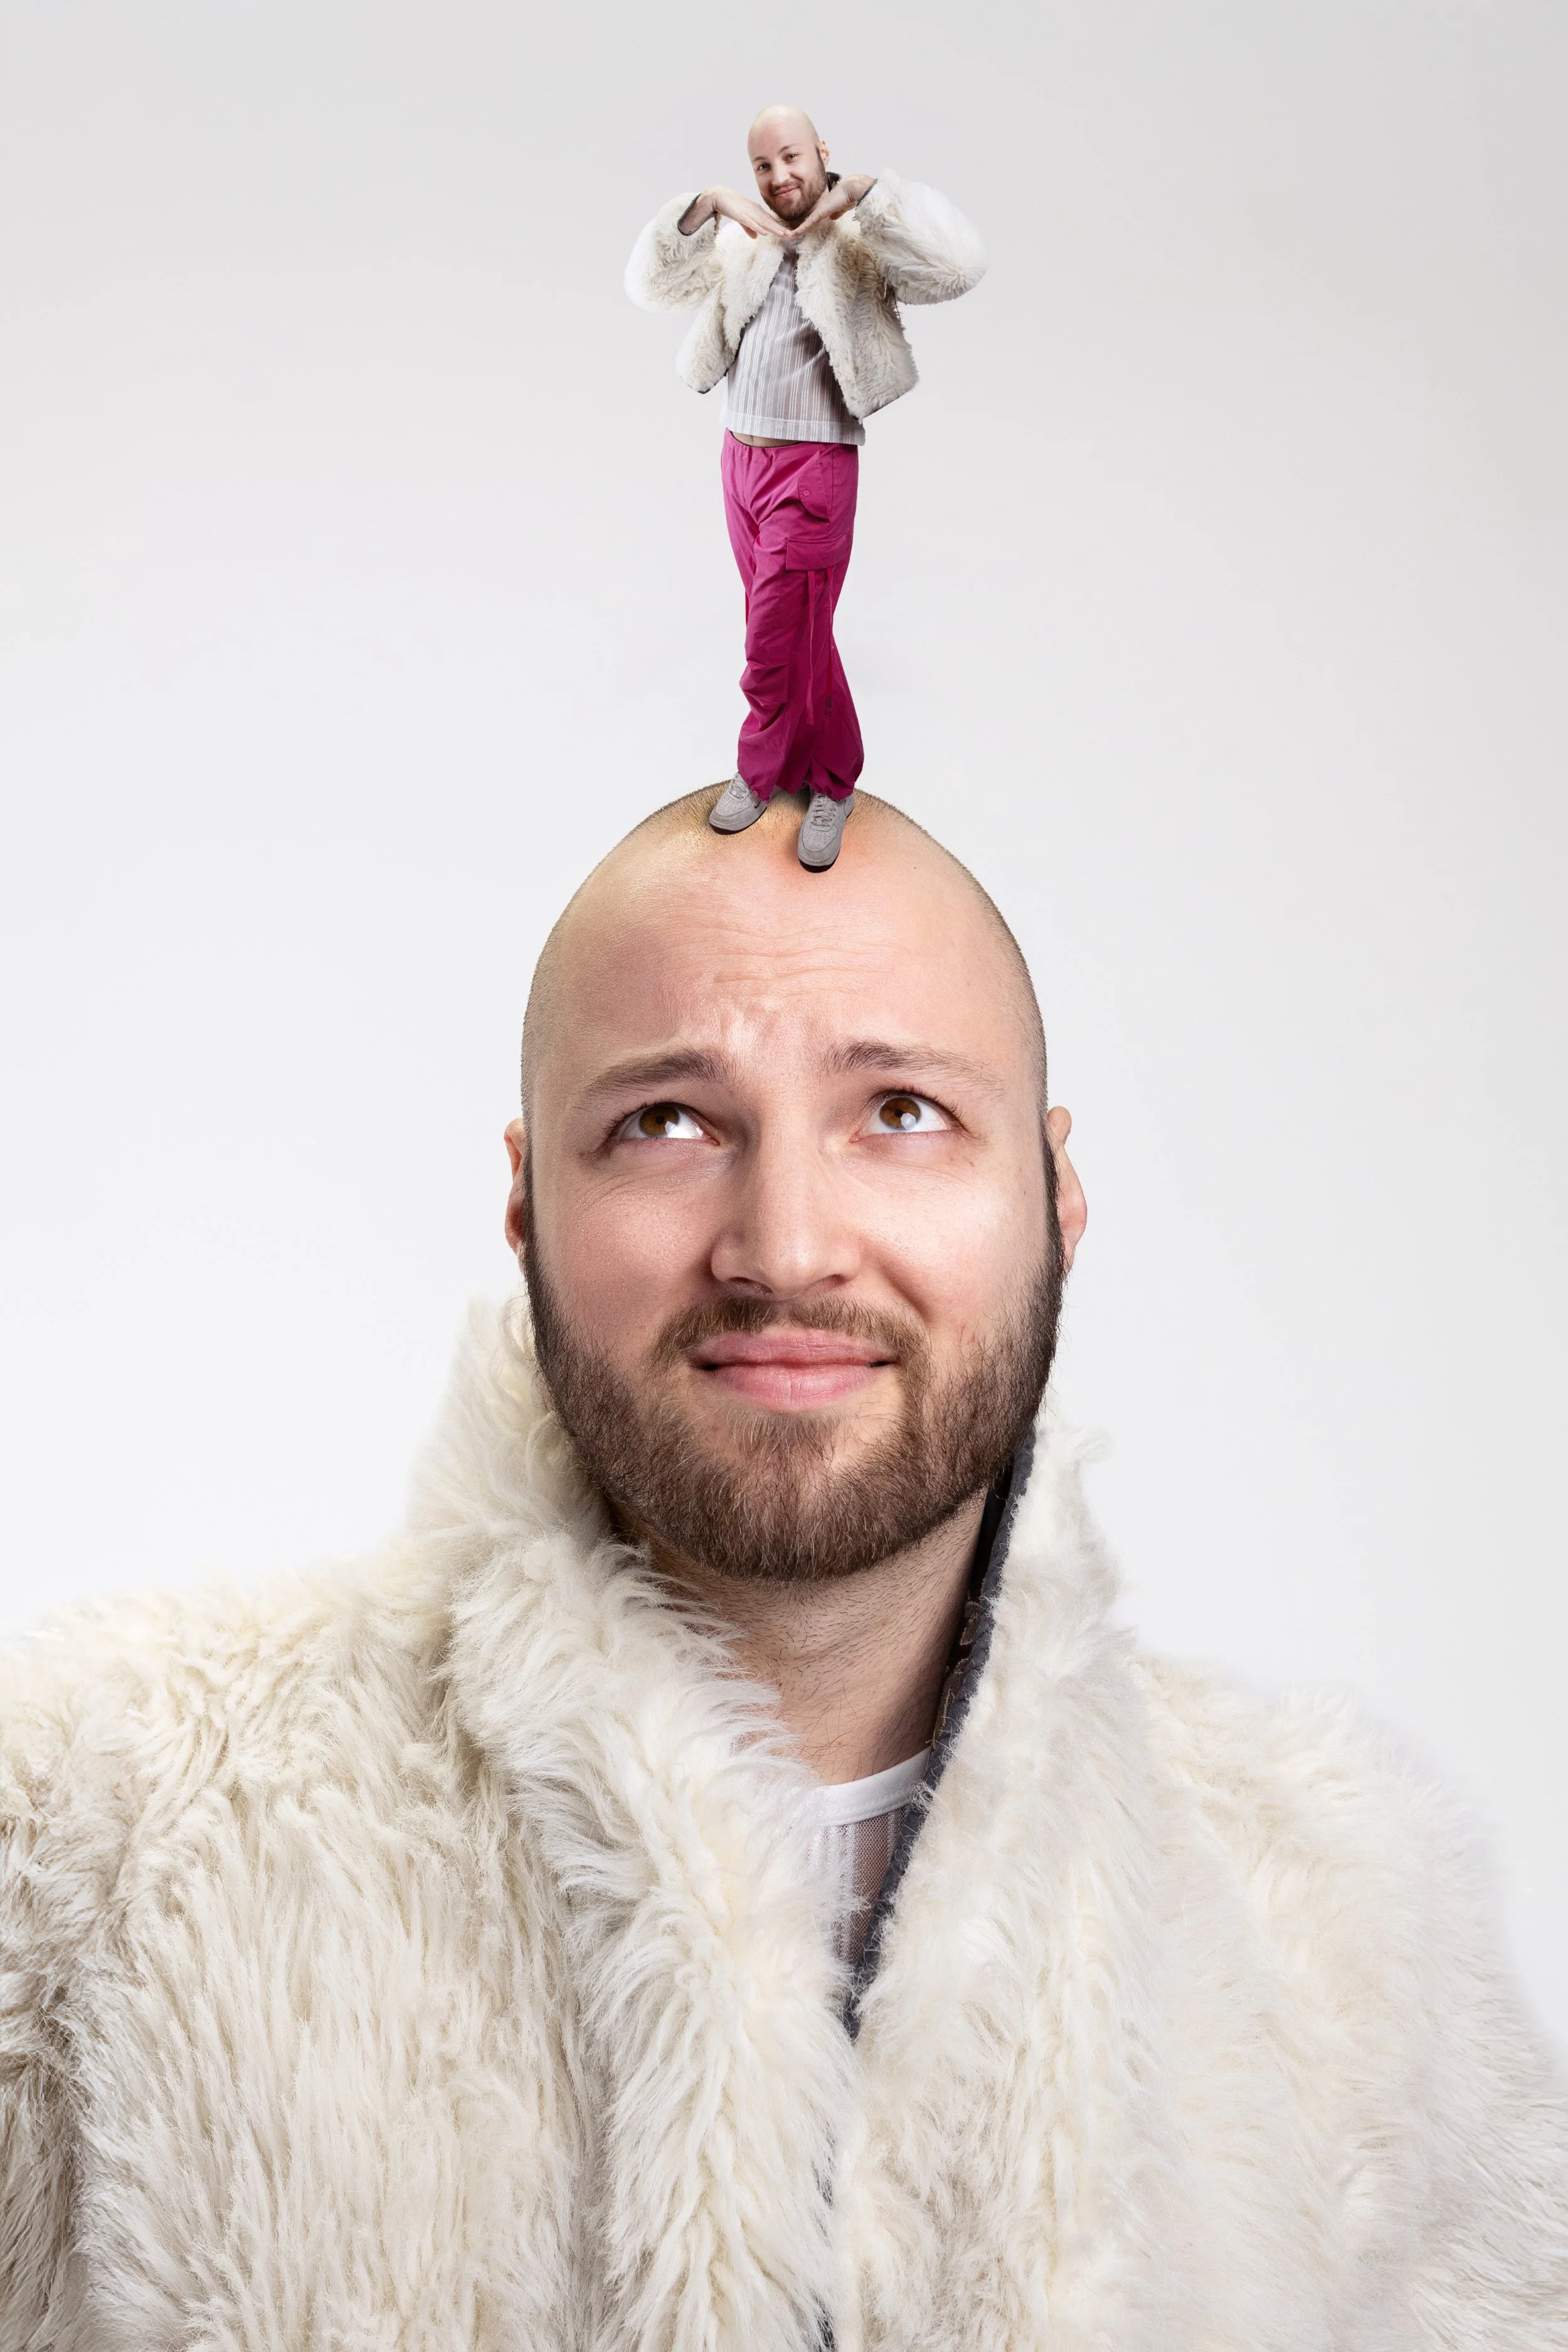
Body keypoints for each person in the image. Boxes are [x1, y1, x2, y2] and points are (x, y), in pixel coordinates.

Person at [3, 786, 1565, 2349]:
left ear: (1055, 1190)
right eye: (668, 1121)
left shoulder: (1356, 1937)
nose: (787, 1243)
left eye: (899, 1109)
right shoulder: (80, 1846)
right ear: (527, 1196)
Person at [627, 108, 985, 871]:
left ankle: (760, 776)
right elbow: (651, 285)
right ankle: (833, 780)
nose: (779, 177)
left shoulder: (861, 238)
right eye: (761, 166)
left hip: (814, 465)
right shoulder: (742, 237)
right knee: (803, 635)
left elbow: (959, 268)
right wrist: (713, 202)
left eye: (790, 157)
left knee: (770, 647)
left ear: (820, 152)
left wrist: (865, 193)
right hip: (739, 460)